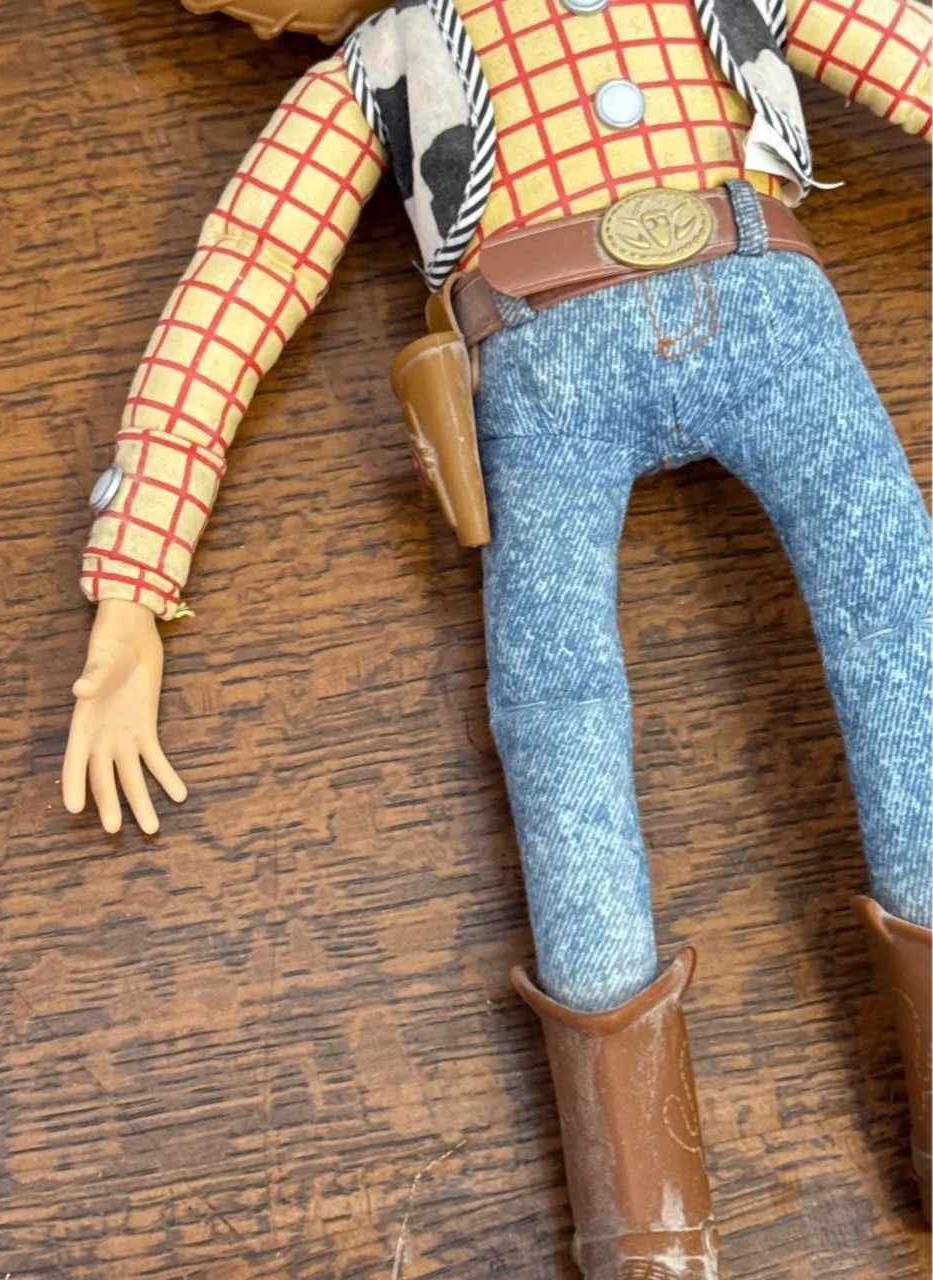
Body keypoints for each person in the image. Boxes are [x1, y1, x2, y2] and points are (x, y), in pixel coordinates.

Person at [62, 0, 933, 1273]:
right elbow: (239, 280)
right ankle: (640, 1214)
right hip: (540, 348)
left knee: (900, 617)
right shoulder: (386, 59)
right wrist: (133, 586)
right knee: (556, 707)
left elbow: (904, 44)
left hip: (733, 289)